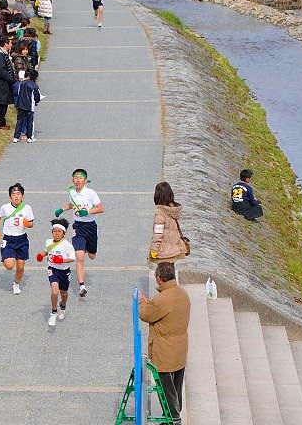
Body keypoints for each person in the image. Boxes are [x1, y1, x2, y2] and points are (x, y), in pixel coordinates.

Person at [138, 262, 190, 425]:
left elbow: (146, 314)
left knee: (166, 388)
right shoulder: (182, 294)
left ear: (159, 279)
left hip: (165, 350)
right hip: (180, 348)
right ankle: (173, 415)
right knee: (176, 385)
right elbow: (157, 310)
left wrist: (141, 302)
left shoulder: (163, 299)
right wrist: (150, 303)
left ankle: (174, 419)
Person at [54, 169, 105, 297]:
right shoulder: (71, 192)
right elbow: (72, 205)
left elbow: (101, 208)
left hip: (91, 226)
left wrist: (87, 212)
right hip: (78, 227)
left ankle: (88, 248)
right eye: (75, 177)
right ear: (72, 180)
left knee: (92, 256)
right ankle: (82, 286)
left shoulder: (91, 193)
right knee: (80, 256)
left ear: (85, 180)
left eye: (80, 177)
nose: (77, 180)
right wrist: (62, 209)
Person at [0, 183, 34, 295]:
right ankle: (6, 259)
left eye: (18, 194)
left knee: (20, 266)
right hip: (8, 240)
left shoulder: (27, 208)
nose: (16, 196)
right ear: (10, 197)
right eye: (13, 194)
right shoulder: (5, 207)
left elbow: (31, 224)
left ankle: (16, 284)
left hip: (22, 240)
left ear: (22, 196)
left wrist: (27, 223)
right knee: (10, 266)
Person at [36, 218, 76, 326]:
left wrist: (61, 260)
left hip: (64, 271)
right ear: (52, 232)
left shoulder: (67, 245)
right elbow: (46, 251)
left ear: (64, 233)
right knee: (55, 291)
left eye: (59, 231)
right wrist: (42, 255)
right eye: (55, 231)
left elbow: (73, 258)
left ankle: (62, 307)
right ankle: (53, 312)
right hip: (52, 269)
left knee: (64, 293)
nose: (56, 233)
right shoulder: (48, 242)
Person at [149, 182, 189, 263]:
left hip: (163, 253)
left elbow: (158, 234)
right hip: (175, 250)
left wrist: (154, 250)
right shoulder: (174, 210)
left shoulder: (160, 214)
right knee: (171, 273)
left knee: (163, 274)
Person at [13, 68, 40, 143]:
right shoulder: (34, 85)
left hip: (21, 105)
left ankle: (16, 137)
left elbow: (18, 93)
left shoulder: (21, 83)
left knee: (19, 121)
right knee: (29, 122)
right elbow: (37, 96)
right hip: (29, 106)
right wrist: (36, 101)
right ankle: (30, 137)